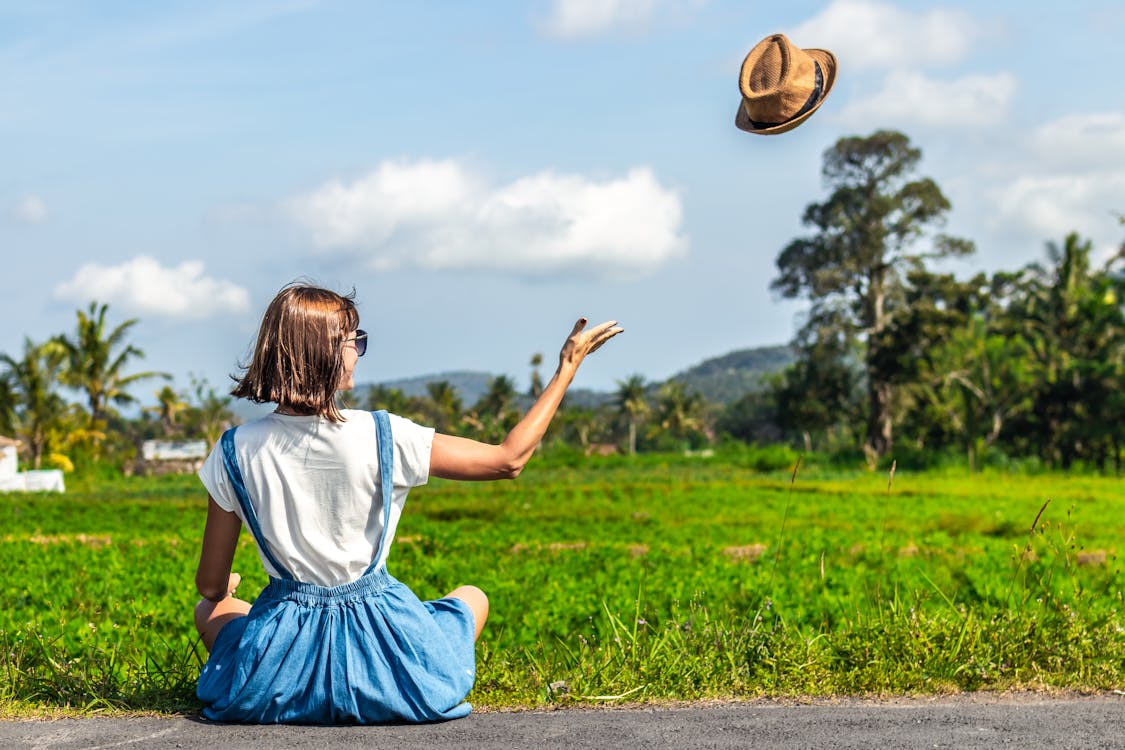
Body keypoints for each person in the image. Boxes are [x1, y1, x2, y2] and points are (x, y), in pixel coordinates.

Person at [192, 283, 622, 724]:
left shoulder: (233, 450)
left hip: (277, 679)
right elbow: (508, 459)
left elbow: (209, 585)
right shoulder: (385, 434)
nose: (357, 352)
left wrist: (226, 592)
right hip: (388, 663)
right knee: (471, 597)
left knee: (213, 608)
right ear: (323, 351)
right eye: (352, 341)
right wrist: (567, 368)